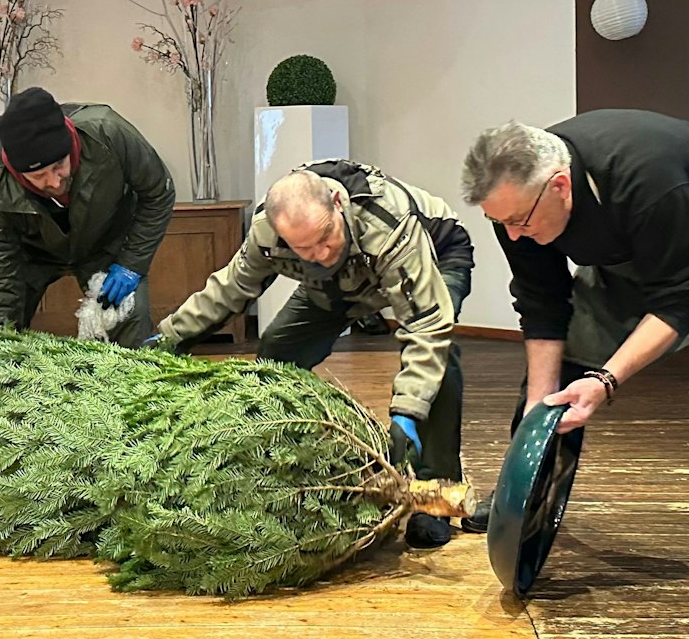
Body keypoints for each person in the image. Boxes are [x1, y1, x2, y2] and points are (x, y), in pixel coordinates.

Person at [460, 111, 689, 612]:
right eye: (500, 223)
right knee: (552, 384)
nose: (513, 235)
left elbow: (681, 297)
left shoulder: (644, 172)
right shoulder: (518, 207)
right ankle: (521, 502)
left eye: (519, 220)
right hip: (633, 263)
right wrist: (538, 410)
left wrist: (606, 380)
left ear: (560, 186)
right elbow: (542, 302)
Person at [146, 160, 474, 548]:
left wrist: (407, 412)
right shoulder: (270, 232)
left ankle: (432, 494)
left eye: (325, 237)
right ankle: (287, 460)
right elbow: (230, 289)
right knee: (277, 351)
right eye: (305, 248)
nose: (320, 252)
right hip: (344, 279)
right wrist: (167, 338)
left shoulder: (386, 222)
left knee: (439, 358)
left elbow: (425, 326)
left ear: (338, 202)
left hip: (432, 253)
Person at [0, 87, 175, 348]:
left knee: (128, 319)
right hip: (32, 253)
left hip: (105, 242)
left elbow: (158, 193)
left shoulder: (108, 133)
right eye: (39, 176)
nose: (53, 182)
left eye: (59, 167)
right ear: (17, 172)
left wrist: (131, 264)